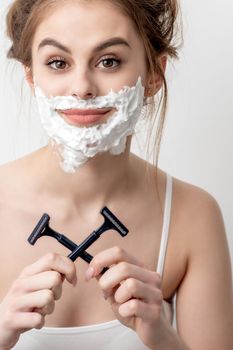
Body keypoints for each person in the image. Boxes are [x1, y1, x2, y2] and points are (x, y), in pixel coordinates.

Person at [0, 0, 232, 349]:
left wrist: (162, 338)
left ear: (154, 74)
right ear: (32, 78)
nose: (82, 87)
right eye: (58, 63)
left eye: (109, 61)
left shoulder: (193, 216)